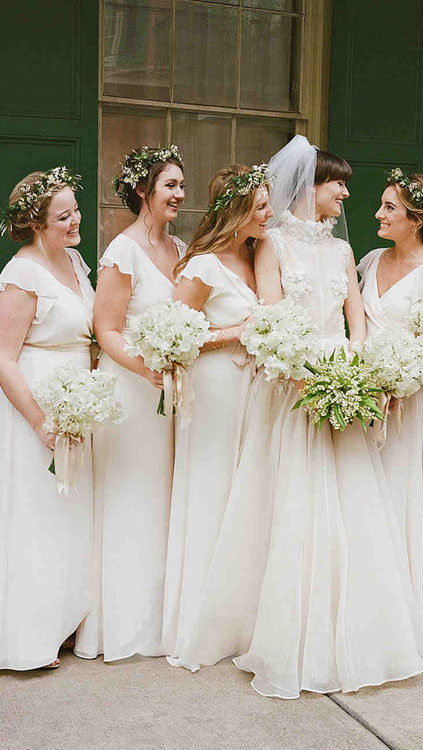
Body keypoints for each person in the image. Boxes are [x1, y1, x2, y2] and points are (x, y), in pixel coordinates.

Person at [176, 136, 423, 699]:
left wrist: (355, 369)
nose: (346, 193)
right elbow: (272, 318)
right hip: (294, 383)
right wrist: (305, 375)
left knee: (351, 503)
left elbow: (355, 318)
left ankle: (356, 630)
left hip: (340, 376)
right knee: (293, 502)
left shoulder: (341, 252)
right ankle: (288, 632)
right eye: (337, 183)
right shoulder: (271, 244)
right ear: (310, 186)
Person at [75, 146, 186, 662]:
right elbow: (107, 329)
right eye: (170, 185)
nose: (179, 194)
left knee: (163, 498)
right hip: (131, 390)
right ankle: (122, 623)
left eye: (182, 186)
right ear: (144, 190)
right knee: (132, 497)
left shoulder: (180, 248)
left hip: (168, 392)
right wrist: (146, 368)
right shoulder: (123, 250)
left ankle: (161, 618)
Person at [163, 165, 272, 670]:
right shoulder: (203, 266)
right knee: (212, 490)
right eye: (261, 206)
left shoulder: (257, 257)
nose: (269, 214)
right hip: (214, 389)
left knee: (243, 494)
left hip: (252, 390)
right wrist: (235, 333)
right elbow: (173, 339)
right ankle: (201, 617)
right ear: (238, 209)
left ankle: (238, 617)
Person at [0, 168, 94, 670]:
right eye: (63, 217)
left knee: (70, 515)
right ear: (36, 224)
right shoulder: (22, 274)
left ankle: (65, 620)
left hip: (79, 402)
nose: (76, 221)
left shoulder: (74, 261)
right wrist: (40, 423)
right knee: (37, 515)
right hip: (36, 405)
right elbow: (3, 359)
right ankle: (27, 636)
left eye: (75, 210)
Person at [358, 169, 423, 627]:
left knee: (393, 497)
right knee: (359, 494)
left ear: (416, 219)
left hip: (403, 403)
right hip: (361, 397)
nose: (378, 213)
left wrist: (401, 383)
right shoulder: (370, 260)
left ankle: (392, 616)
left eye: (389, 207)